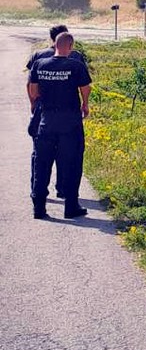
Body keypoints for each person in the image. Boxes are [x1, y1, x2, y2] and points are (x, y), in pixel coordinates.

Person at [28, 32, 92, 220]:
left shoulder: (40, 65)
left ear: (54, 45)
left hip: (46, 122)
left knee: (42, 164)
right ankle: (70, 206)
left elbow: (33, 90)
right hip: (70, 124)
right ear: (70, 47)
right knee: (71, 164)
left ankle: (39, 208)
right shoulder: (76, 65)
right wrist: (85, 104)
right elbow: (85, 88)